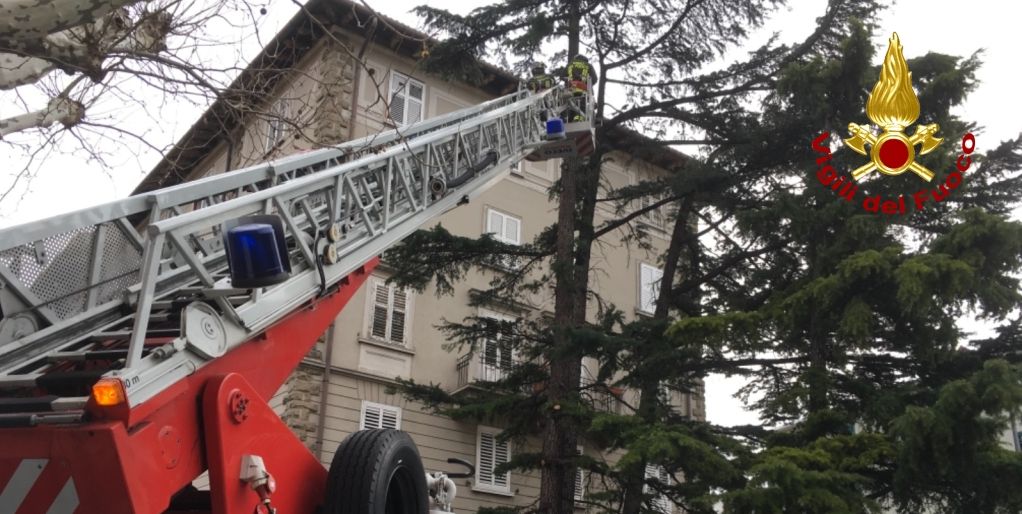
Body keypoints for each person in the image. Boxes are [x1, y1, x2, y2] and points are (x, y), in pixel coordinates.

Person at [564, 54, 597, 121]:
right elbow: (595, 79)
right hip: (584, 88)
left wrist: (568, 82)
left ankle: (570, 119)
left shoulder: (570, 64)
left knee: (570, 105)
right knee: (585, 106)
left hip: (571, 88)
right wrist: (588, 85)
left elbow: (563, 76)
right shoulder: (588, 65)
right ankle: (582, 118)